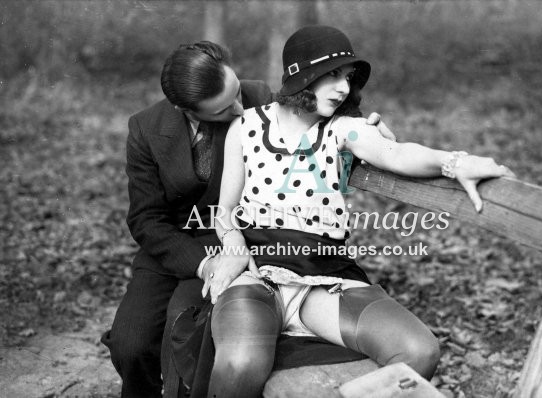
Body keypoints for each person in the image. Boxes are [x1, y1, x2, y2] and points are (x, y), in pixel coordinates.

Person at [184, 25, 514, 397]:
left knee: (419, 350)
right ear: (302, 74)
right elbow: (225, 209)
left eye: (348, 77)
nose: (343, 87)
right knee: (239, 365)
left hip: (323, 282)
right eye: (332, 75)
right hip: (256, 277)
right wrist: (234, 248)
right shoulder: (245, 127)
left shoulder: (345, 130)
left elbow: (396, 153)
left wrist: (456, 162)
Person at [101, 40, 393, 397]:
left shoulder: (262, 95)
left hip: (251, 243)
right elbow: (146, 220)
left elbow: (320, 113)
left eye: (237, 92)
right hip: (175, 248)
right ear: (185, 110)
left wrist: (369, 126)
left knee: (191, 335)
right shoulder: (146, 129)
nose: (240, 108)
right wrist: (206, 264)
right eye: (223, 109)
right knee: (130, 346)